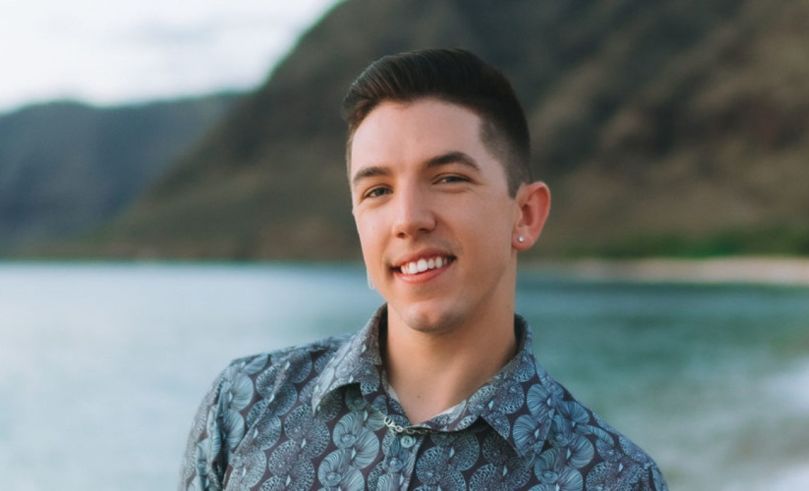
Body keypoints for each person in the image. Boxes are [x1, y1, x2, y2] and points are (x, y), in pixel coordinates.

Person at [179, 48, 668, 490]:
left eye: (449, 179)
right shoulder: (245, 404)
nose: (408, 219)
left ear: (525, 215)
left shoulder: (612, 477)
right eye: (377, 191)